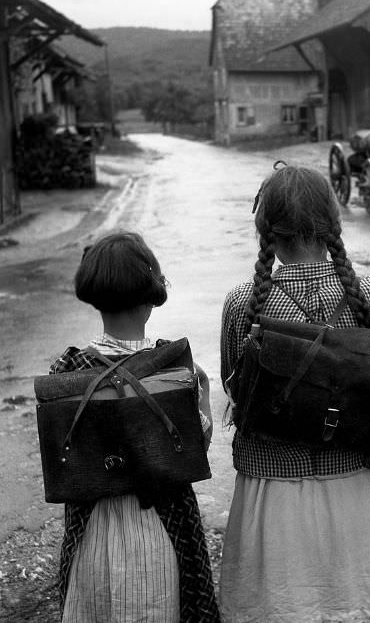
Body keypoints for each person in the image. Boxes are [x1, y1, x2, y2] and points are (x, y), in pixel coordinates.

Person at [219, 164, 370, 622]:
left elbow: (237, 391)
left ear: (267, 228)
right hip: (357, 486)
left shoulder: (242, 303)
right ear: (331, 222)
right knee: (357, 608)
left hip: (273, 491)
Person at [48, 231, 219, 623]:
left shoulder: (67, 369)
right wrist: (203, 390)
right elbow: (195, 448)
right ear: (149, 299)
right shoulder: (175, 368)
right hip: (162, 528)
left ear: (96, 299)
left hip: (91, 531)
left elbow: (63, 456)